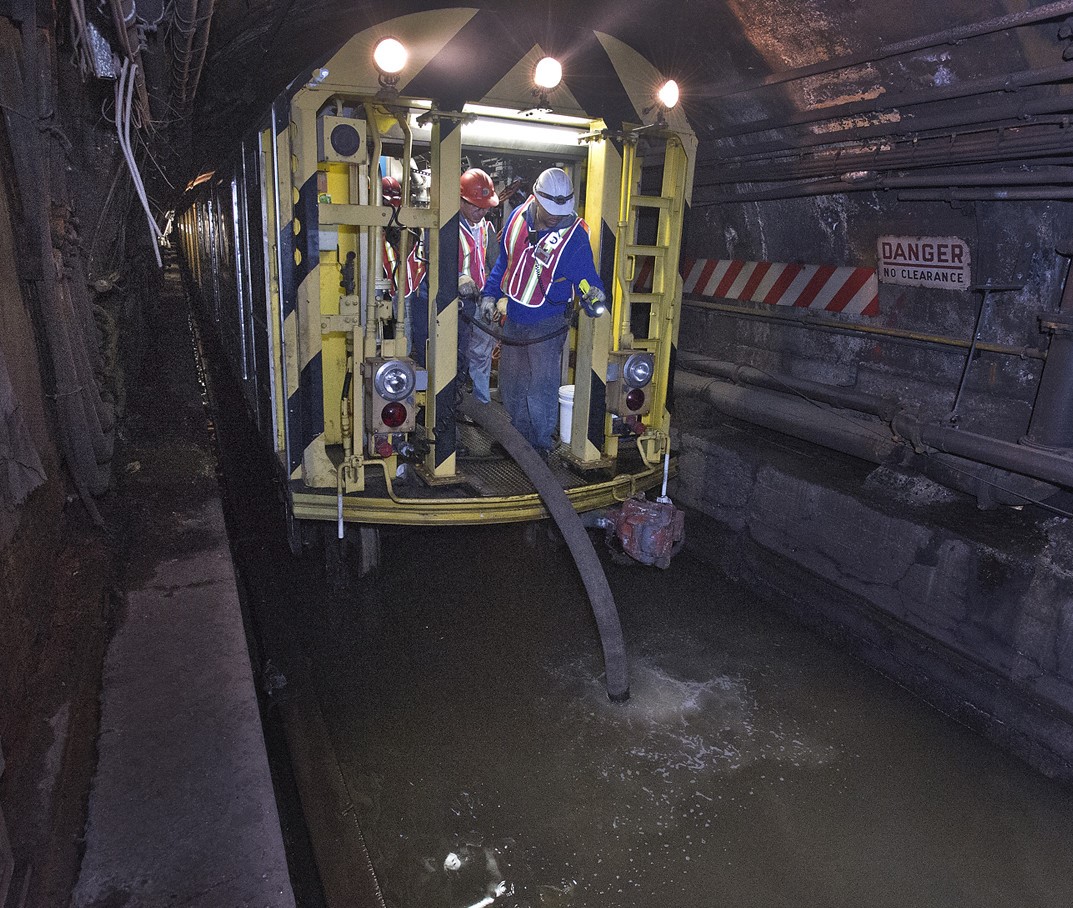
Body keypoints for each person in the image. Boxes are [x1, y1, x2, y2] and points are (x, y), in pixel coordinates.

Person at [479, 167, 606, 459]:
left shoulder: (574, 237)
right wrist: (490, 294)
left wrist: (593, 296)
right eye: (550, 212)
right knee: (511, 384)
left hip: (546, 324)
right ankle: (516, 439)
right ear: (535, 198)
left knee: (541, 387)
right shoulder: (517, 219)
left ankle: (539, 445)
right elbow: (504, 263)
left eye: (561, 213)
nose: (555, 218)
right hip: (514, 318)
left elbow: (586, 278)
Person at [456, 168, 499, 404]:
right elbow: (433, 263)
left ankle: (481, 405)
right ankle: (457, 407)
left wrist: (495, 296)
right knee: (457, 357)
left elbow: (497, 264)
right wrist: (457, 278)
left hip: (480, 302)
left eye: (485, 207)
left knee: (482, 356)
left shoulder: (486, 228)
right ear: (461, 200)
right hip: (456, 306)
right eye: (475, 206)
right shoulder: (447, 227)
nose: (481, 211)